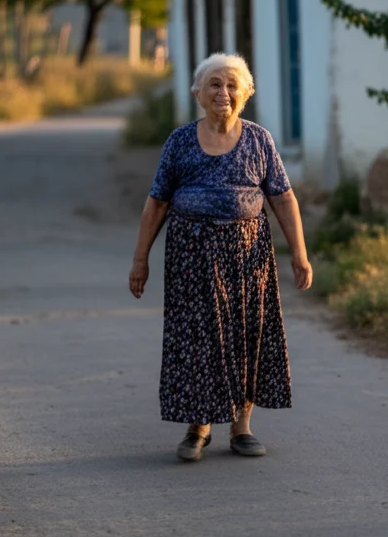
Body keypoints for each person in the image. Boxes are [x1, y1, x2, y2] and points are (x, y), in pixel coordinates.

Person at [129, 52, 312, 462]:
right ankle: (199, 428)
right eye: (214, 84)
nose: (223, 92)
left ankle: (242, 426)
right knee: (198, 339)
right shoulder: (179, 142)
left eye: (232, 85)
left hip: (247, 257)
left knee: (246, 334)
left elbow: (283, 199)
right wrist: (140, 259)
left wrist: (299, 255)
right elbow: (156, 204)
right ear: (198, 92)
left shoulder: (259, 140)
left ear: (245, 93)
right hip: (190, 257)